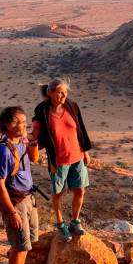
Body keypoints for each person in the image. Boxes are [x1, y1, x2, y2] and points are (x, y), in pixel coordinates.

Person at [31, 77, 92, 242]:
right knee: (58, 193)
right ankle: (60, 223)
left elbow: (81, 128)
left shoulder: (72, 106)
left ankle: (75, 222)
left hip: (77, 156)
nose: (63, 95)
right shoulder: (43, 112)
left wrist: (85, 150)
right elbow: (36, 133)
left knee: (80, 190)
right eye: (60, 92)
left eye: (65, 92)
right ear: (50, 93)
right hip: (58, 160)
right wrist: (29, 139)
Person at [0, 106, 42, 264]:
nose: (21, 126)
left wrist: (33, 141)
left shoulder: (22, 142)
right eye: (16, 122)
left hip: (29, 198)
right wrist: (11, 212)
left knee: (27, 243)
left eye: (23, 122)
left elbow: (35, 159)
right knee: (19, 245)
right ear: (6, 125)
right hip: (16, 202)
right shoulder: (4, 151)